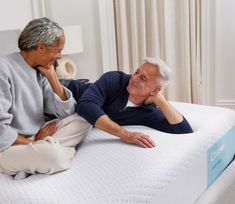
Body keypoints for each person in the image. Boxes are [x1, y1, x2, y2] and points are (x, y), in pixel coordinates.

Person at [0, 17, 91, 179]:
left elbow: (67, 114)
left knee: (84, 118)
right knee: (53, 156)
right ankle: (41, 156)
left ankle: (30, 164)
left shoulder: (40, 70)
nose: (60, 57)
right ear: (42, 47)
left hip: (36, 139)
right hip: (8, 148)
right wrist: (35, 144)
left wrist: (53, 78)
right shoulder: (3, 69)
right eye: (58, 51)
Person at [65, 57, 193, 149]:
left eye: (143, 78)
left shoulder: (147, 112)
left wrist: (161, 100)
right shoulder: (114, 79)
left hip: (65, 116)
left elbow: (183, 130)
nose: (134, 78)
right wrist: (124, 134)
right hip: (63, 92)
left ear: (155, 90)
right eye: (137, 72)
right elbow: (86, 105)